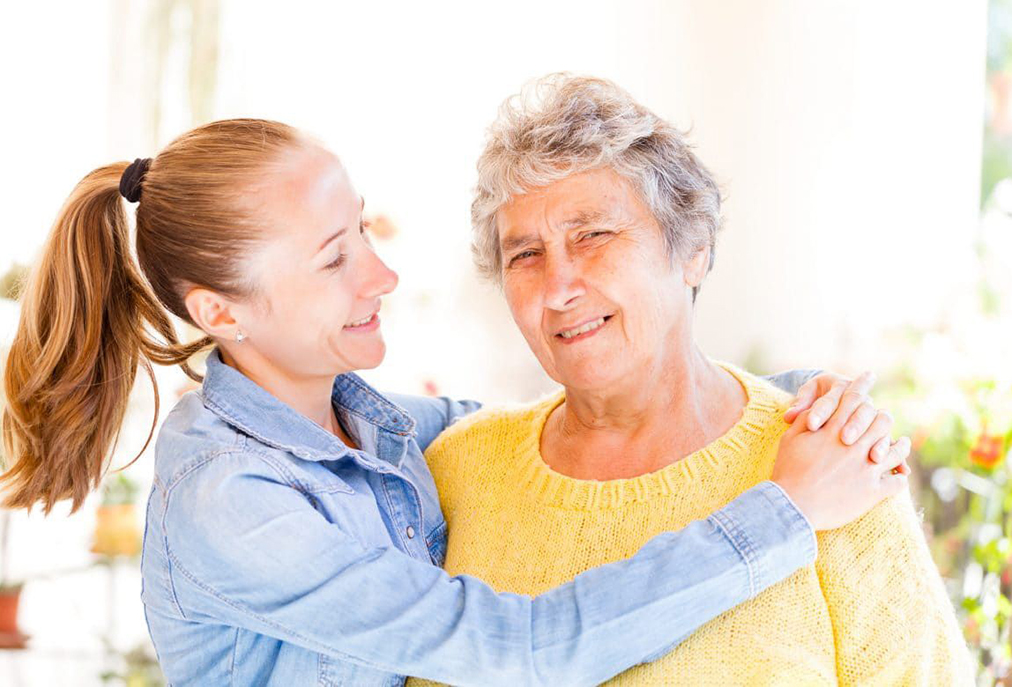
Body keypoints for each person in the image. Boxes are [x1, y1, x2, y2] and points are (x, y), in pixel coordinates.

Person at [2, 118, 908, 686]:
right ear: (219, 313)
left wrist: (799, 401)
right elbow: (521, 649)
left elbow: (589, 409)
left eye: (362, 227)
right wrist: (785, 510)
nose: (382, 273)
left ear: (693, 247)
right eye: (333, 257)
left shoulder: (379, 427)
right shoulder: (232, 500)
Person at [411, 75, 974, 686]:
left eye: (592, 235)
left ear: (693, 250)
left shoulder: (830, 467)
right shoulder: (456, 472)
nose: (558, 288)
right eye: (525, 255)